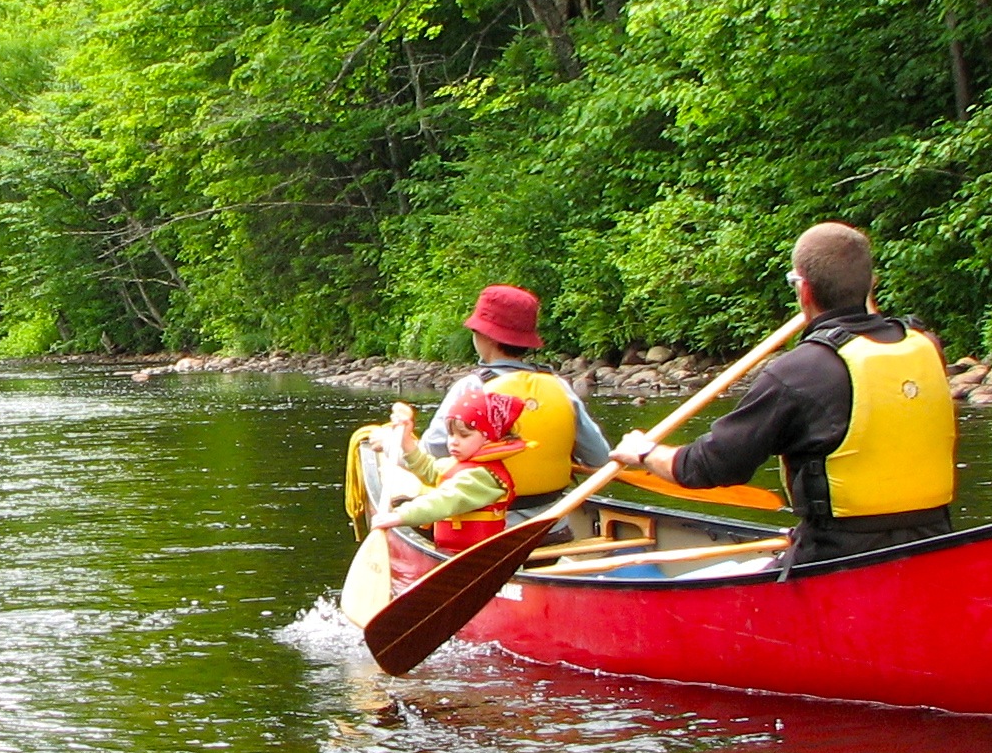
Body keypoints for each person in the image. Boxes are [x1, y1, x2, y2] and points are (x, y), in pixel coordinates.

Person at [610, 222, 956, 567]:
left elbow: (710, 466)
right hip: (934, 551)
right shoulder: (927, 347)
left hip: (835, 561)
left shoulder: (799, 371)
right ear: (872, 284)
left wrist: (645, 452)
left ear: (804, 291)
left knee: (705, 580)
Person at [422, 284, 611, 515]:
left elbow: (432, 450)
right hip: (552, 526)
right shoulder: (559, 387)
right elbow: (599, 457)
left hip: (488, 530)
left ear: (485, 336)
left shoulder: (472, 387)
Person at [372, 390, 527, 552]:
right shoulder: (456, 464)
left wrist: (399, 516)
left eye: (464, 435)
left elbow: (442, 501)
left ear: (489, 438)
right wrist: (406, 441)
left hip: (479, 559)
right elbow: (430, 470)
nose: (454, 442)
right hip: (453, 553)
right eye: (451, 434)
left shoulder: (482, 478)